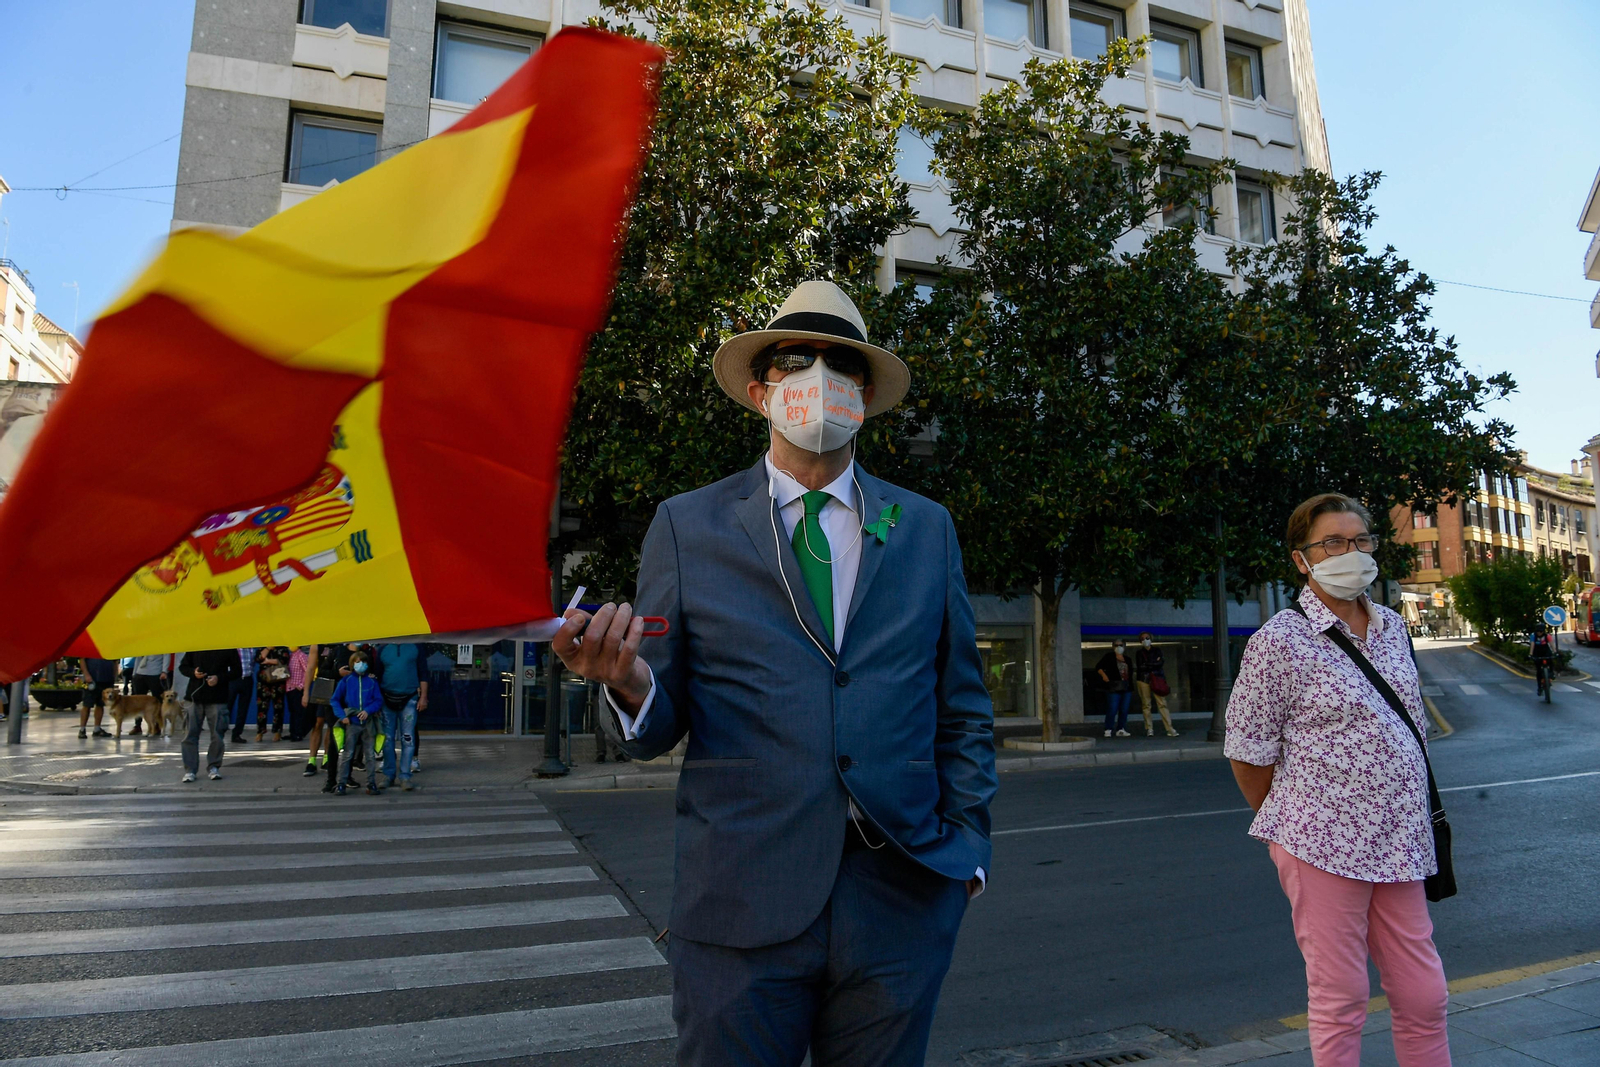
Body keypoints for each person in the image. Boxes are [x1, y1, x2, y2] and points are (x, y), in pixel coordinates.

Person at [554, 280, 996, 1067]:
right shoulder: (687, 526)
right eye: (797, 359)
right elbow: (657, 719)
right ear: (760, 391)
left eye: (841, 363)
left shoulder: (926, 528)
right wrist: (624, 681)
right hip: (739, 910)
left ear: (865, 395)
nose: (818, 377)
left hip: (900, 905)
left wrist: (966, 852)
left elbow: (961, 708)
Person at [1226, 493, 1449, 1067]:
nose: (1350, 552)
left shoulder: (1395, 628)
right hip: (1318, 844)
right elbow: (1248, 753)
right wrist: (1297, 822)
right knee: (1341, 997)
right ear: (1302, 559)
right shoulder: (1279, 640)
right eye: (1332, 542)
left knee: (1424, 995)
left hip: (1400, 841)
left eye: (1360, 540)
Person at [178, 649, 240, 782]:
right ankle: (190, 770)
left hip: (217, 698)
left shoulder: (227, 646)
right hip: (194, 697)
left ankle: (214, 767)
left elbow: (237, 671)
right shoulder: (196, 645)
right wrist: (193, 673)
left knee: (217, 735)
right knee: (190, 735)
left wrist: (219, 678)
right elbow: (183, 667)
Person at [374, 642, 428, 791]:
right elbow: (377, 676)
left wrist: (423, 697)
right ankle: (388, 775)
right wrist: (376, 701)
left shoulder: (416, 646)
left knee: (408, 738)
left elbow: (423, 672)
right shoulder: (383, 648)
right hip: (386, 699)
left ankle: (405, 776)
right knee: (387, 739)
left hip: (410, 698)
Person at [330, 650, 383, 796]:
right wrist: (342, 716)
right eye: (358, 662)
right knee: (348, 754)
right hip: (352, 722)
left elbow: (378, 700)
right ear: (352, 664)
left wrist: (368, 710)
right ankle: (341, 783)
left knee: (370, 755)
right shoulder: (346, 681)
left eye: (364, 662)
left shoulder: (371, 681)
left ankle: (371, 783)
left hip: (368, 722)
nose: (361, 665)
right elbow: (334, 700)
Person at [1133, 632, 1177, 738]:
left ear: (1151, 639)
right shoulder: (1139, 653)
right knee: (1146, 705)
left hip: (1157, 679)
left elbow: (1160, 663)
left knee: (1162, 703)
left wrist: (1148, 663)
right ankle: (1149, 729)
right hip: (1144, 679)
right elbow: (1141, 666)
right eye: (1143, 639)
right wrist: (1154, 663)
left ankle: (1169, 728)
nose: (1145, 640)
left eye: (1147, 638)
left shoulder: (1157, 650)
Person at [1095, 641, 1134, 738]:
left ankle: (1121, 728)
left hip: (1126, 686)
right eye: (1116, 645)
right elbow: (1098, 667)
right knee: (1112, 708)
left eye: (1121, 645)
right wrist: (1105, 676)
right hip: (1113, 686)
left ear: (1124, 647)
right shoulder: (1109, 657)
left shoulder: (1127, 659)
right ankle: (1108, 728)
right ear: (1113, 647)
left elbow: (1130, 673)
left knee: (1124, 709)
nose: (1119, 647)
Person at [255, 646, 291, 741]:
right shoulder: (262, 647)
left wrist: (268, 661)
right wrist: (268, 649)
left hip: (278, 681)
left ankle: (277, 731)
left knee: (278, 707)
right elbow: (258, 658)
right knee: (262, 707)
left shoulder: (282, 648)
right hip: (263, 682)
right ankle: (260, 732)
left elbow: (284, 660)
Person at [128, 654, 170, 736]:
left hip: (155, 672)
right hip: (140, 673)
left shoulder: (162, 643)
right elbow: (138, 657)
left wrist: (164, 671)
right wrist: (134, 673)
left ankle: (158, 725)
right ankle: (137, 725)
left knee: (158, 701)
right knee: (137, 701)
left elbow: (166, 656)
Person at [78, 657, 117, 739]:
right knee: (87, 704)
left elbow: (115, 662)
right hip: (92, 680)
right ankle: (82, 729)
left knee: (100, 704)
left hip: (106, 680)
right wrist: (86, 674)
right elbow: (82, 659)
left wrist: (114, 676)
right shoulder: (90, 646)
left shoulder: (111, 646)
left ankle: (97, 729)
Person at [228, 647, 257, 744]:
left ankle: (237, 734)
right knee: (227, 706)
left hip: (247, 679)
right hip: (233, 679)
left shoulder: (251, 649)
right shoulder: (233, 648)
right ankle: (220, 731)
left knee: (243, 709)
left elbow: (252, 663)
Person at [286, 645, 310, 742]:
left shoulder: (302, 655)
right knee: (292, 711)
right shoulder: (291, 656)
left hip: (297, 688)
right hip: (289, 688)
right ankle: (292, 732)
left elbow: (307, 671)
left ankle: (298, 733)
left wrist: (301, 685)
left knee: (298, 712)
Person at [1529, 624, 1555, 694]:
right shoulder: (1533, 636)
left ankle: (1552, 673)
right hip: (1537, 652)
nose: (1539, 633)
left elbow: (1551, 644)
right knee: (1538, 670)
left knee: (1551, 661)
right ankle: (1539, 687)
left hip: (1546, 651)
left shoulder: (1547, 636)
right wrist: (1531, 654)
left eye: (1541, 631)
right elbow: (1532, 644)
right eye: (1538, 631)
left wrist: (1555, 652)